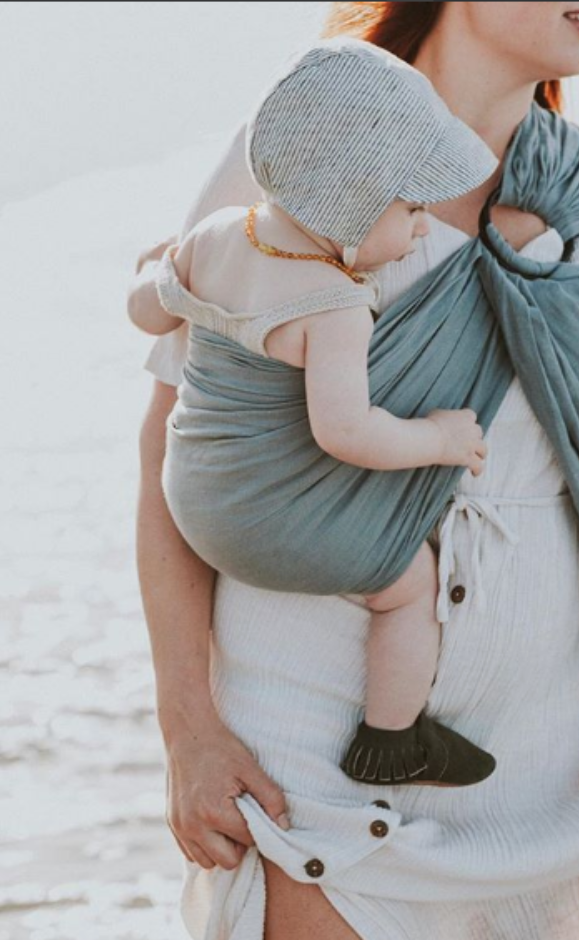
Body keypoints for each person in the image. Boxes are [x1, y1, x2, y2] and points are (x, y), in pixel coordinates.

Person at [128, 4, 579, 940]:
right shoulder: (308, 144)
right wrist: (188, 728)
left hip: (548, 783)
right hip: (316, 784)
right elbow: (174, 449)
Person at [144, 38, 502, 788]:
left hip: (192, 500)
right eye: (408, 210)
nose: (415, 232)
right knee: (409, 586)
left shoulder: (215, 236)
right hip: (266, 530)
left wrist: (153, 272)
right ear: (353, 203)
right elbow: (346, 432)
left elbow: (148, 312)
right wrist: (439, 438)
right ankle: (391, 739)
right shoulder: (335, 305)